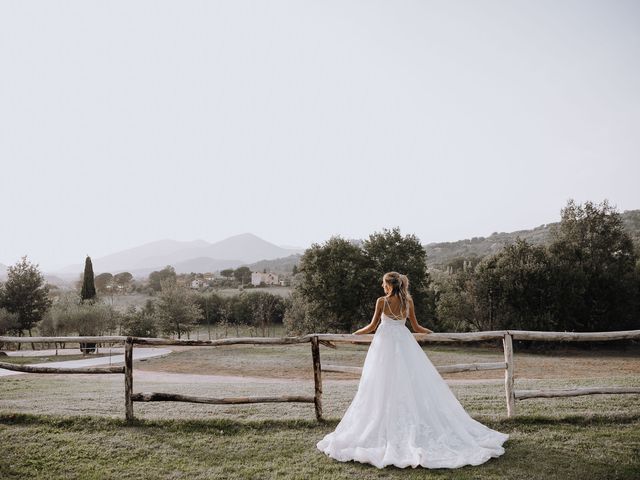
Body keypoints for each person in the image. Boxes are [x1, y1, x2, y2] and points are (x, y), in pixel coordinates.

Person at [316, 271, 509, 469]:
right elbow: (416, 327)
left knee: (379, 384)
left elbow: (372, 326)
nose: (382, 286)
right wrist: (431, 333)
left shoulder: (381, 301)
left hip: (384, 346)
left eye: (383, 283)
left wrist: (354, 333)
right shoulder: (408, 302)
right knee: (410, 381)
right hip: (404, 343)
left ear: (388, 285)